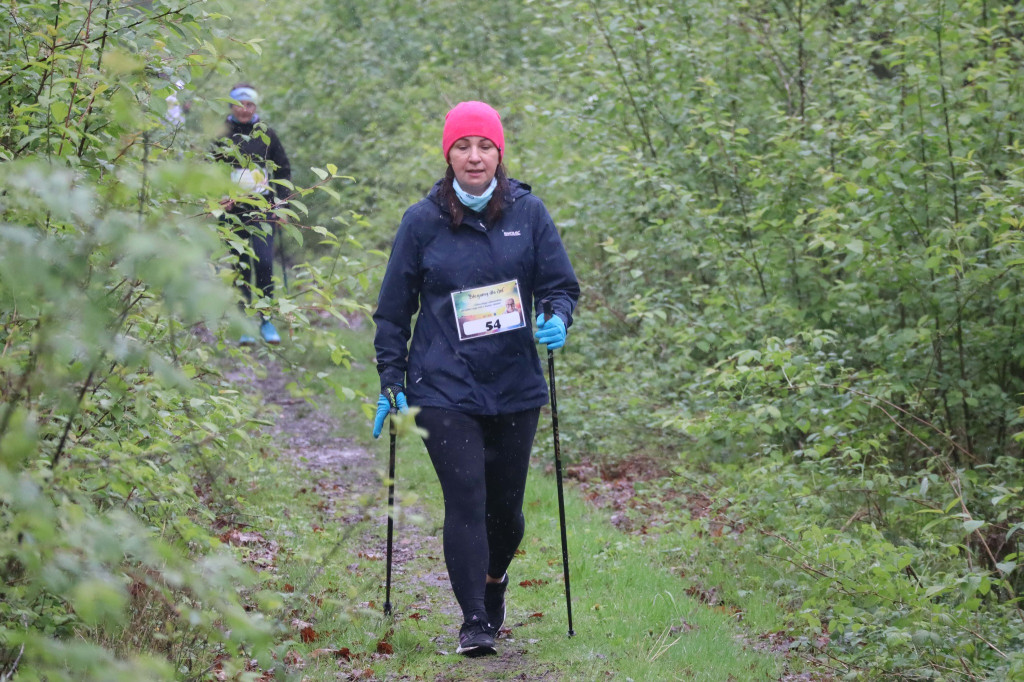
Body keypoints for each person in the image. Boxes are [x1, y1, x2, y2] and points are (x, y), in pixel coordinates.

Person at [371, 101, 580, 656]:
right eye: (462, 145)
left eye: (484, 145)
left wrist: (556, 318)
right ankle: (474, 622)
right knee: (465, 499)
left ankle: (493, 584)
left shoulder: (528, 214)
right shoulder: (422, 222)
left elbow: (562, 285)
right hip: (443, 385)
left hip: (514, 384)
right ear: (448, 154)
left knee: (506, 516)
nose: (473, 155)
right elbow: (393, 312)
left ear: (499, 153)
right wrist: (391, 377)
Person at [212, 82, 291, 345]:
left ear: (256, 106)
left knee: (265, 264)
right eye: (239, 104)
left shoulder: (266, 133)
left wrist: (281, 205)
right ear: (230, 104)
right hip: (233, 214)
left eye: (249, 104)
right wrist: (219, 196)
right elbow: (209, 171)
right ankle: (244, 321)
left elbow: (283, 171)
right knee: (241, 266)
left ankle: (266, 319)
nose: (244, 109)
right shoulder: (221, 134)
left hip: (263, 209)